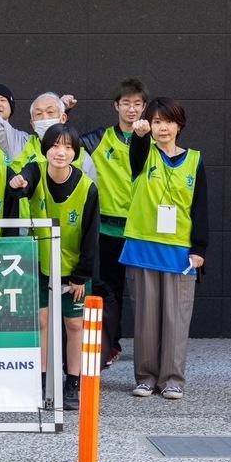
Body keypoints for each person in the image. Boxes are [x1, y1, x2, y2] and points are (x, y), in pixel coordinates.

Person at [120, 97, 207, 401]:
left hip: (180, 251)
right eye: (156, 121)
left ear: (179, 125)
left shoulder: (195, 160)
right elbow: (137, 152)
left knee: (176, 318)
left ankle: (172, 379)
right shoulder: (144, 154)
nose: (162, 127)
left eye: (168, 121)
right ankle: (145, 378)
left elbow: (201, 208)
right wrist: (139, 135)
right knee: (146, 317)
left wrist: (199, 249)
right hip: (144, 247)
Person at [10, 124, 99, 410]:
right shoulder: (35, 172)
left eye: (68, 147)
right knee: (41, 323)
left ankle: (72, 382)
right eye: (55, 146)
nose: (61, 152)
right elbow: (23, 181)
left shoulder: (87, 187)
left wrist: (81, 276)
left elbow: (90, 235)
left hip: (73, 269)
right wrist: (19, 183)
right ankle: (41, 381)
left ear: (75, 152)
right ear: (44, 149)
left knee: (74, 324)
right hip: (39, 264)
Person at [74, 79, 149, 364]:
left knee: (145, 293)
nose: (132, 109)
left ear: (144, 107)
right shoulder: (97, 139)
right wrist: (62, 110)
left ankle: (148, 349)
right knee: (111, 290)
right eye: (126, 103)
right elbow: (63, 146)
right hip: (108, 229)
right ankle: (112, 345)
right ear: (116, 106)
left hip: (144, 229)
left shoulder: (154, 138)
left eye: (137, 104)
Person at [0, 66, 96, 180]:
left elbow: (92, 200)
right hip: (28, 218)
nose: (45, 118)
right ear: (33, 124)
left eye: (50, 112)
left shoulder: (82, 157)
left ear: (63, 118)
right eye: (38, 114)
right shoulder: (20, 144)